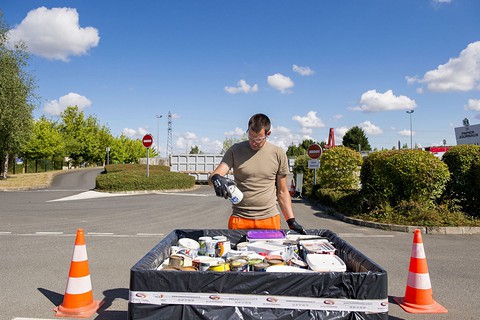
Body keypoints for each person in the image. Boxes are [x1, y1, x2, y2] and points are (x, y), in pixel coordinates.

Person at [209, 113, 307, 234]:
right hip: (240, 219)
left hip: (270, 220)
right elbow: (216, 174)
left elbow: (282, 191)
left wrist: (291, 221)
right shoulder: (235, 150)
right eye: (251, 137)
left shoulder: (278, 153)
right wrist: (216, 178)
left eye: (258, 139)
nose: (253, 143)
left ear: (268, 134)